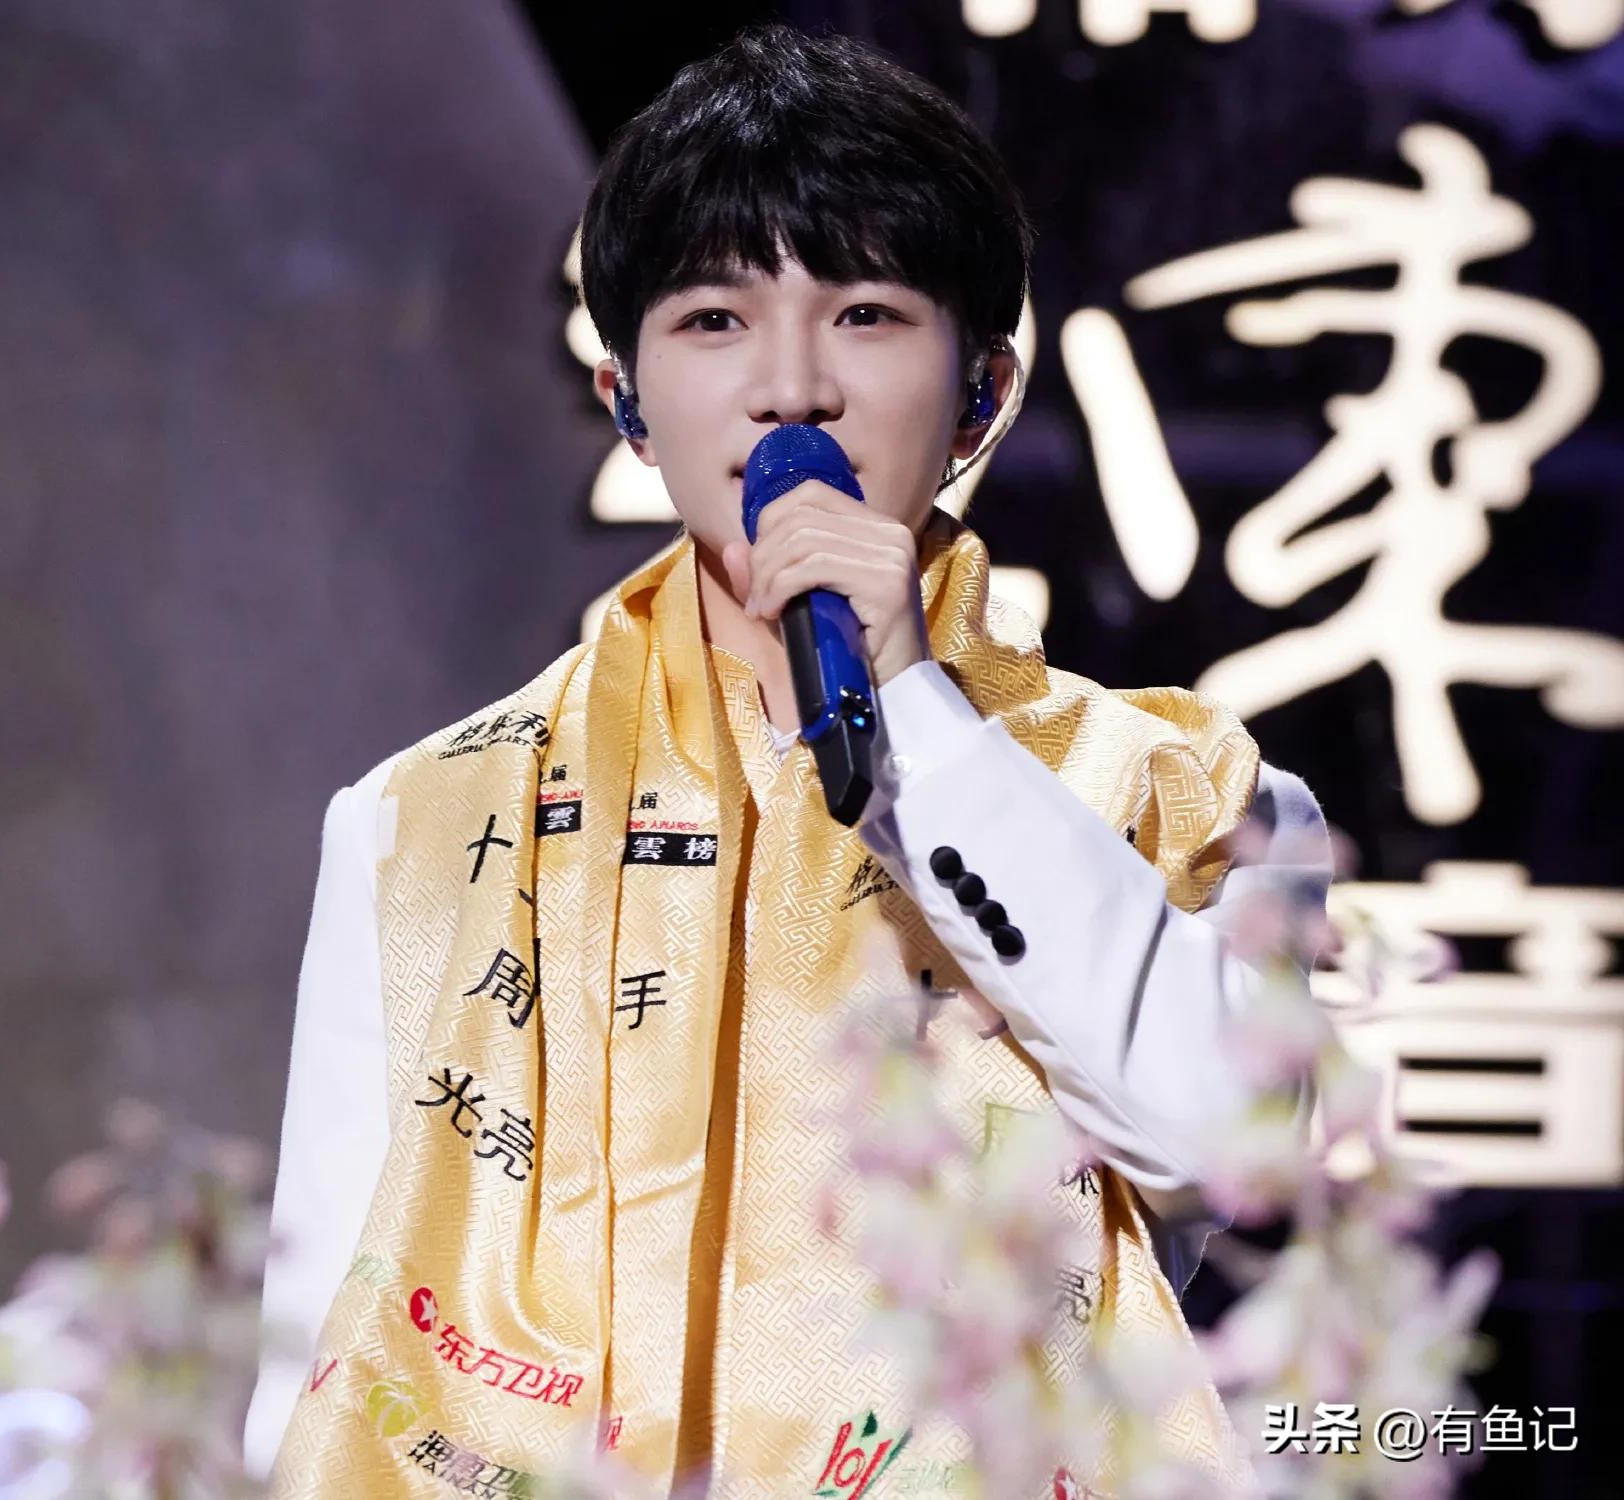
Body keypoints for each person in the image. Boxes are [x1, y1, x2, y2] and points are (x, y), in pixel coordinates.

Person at [248, 22, 1332, 1497]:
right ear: (629, 402)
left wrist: (915, 717)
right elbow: (321, 1351)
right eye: (715, 320)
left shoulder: (1193, 795)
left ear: (984, 392)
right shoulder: (421, 818)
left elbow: (1229, 1148)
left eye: (867, 313)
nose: (791, 389)